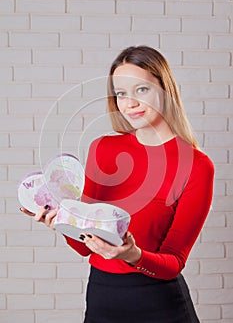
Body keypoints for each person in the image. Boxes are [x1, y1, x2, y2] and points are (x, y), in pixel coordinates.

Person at [21, 46, 214, 323]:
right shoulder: (103, 149)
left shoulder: (197, 165)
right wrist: (61, 221)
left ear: (165, 89)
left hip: (160, 303)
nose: (130, 103)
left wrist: (133, 255)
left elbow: (174, 262)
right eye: (121, 93)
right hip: (102, 296)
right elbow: (86, 246)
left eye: (142, 90)